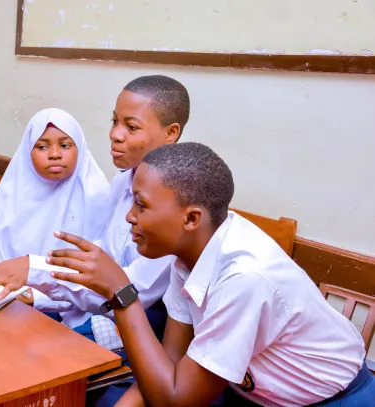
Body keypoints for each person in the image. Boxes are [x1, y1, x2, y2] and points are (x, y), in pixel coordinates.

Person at [46, 142, 373, 406]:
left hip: (330, 400)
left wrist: (121, 292)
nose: (130, 217)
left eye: (141, 205)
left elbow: (174, 398)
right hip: (246, 390)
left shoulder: (244, 278)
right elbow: (170, 364)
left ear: (191, 219)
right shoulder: (190, 256)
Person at [0, 75, 190, 337]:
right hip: (98, 311)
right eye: (115, 121)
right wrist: (36, 294)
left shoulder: (177, 204)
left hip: (138, 329)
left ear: (170, 133)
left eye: (131, 127)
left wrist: (34, 269)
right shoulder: (120, 185)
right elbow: (97, 268)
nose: (114, 135)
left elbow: (130, 292)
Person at [0, 107, 110, 309]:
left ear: (79, 147)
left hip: (68, 308)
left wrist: (36, 296)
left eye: (65, 145)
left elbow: (96, 275)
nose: (54, 154)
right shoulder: (14, 189)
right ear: (28, 151)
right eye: (42, 147)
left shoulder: (95, 195)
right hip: (4, 295)